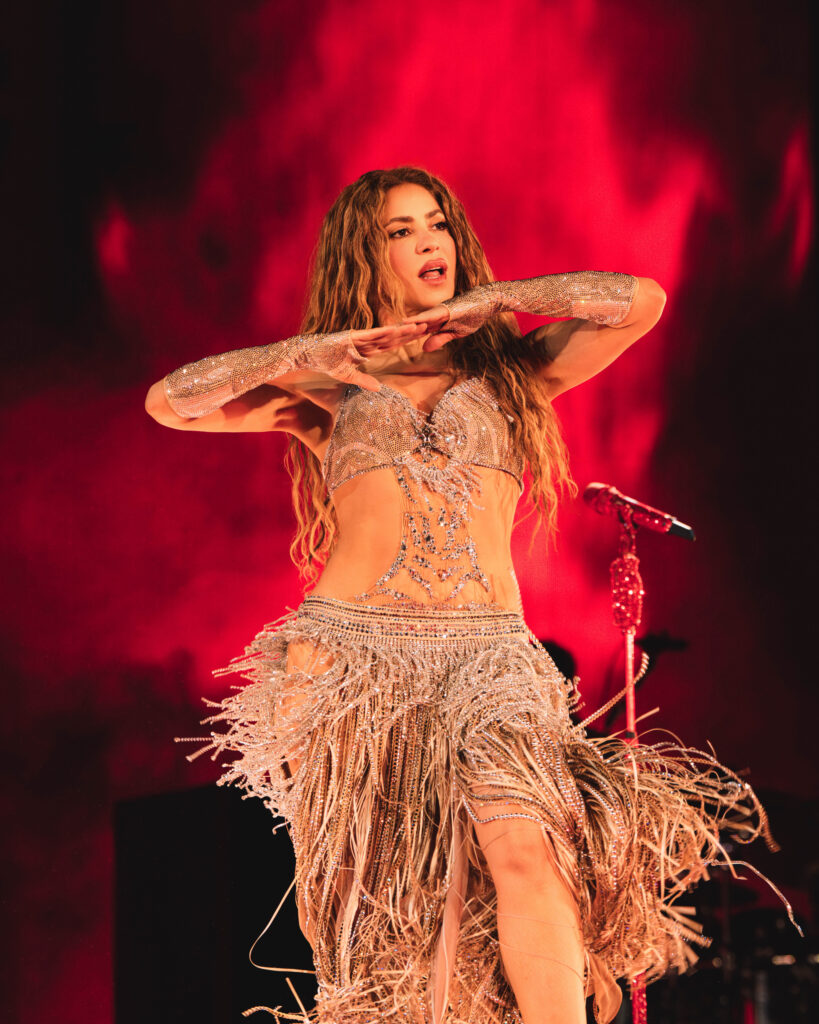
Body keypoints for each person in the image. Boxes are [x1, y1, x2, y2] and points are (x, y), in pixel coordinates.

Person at [145, 167, 772, 1024]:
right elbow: (171, 402)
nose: (427, 241)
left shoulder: (515, 369)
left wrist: (498, 300)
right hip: (354, 662)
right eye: (399, 230)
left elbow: (640, 301)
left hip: (488, 655)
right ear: (363, 253)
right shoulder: (327, 388)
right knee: (385, 918)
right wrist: (309, 354)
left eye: (436, 223)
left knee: (525, 845)